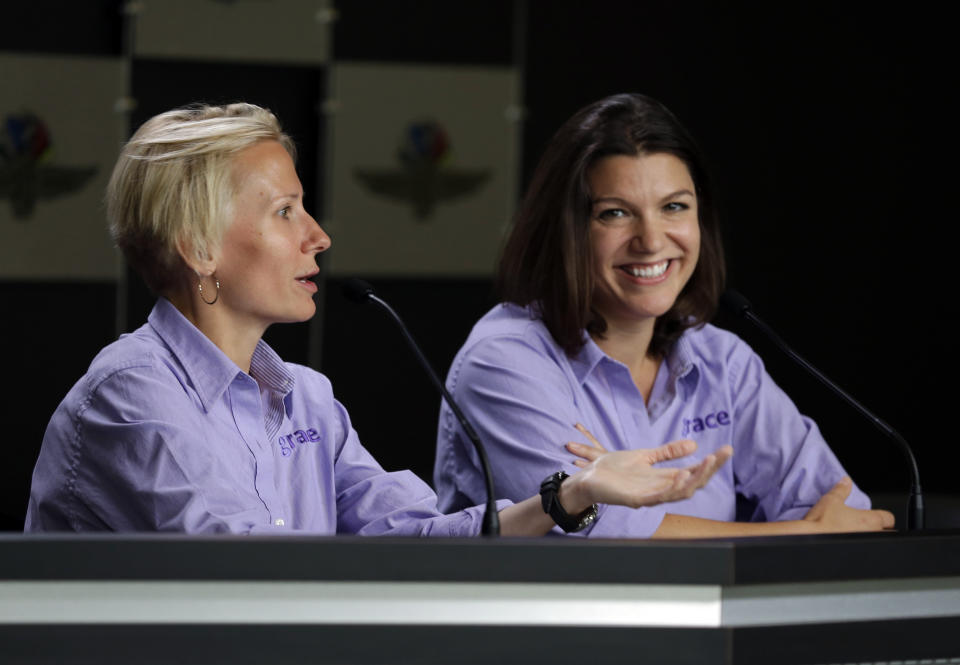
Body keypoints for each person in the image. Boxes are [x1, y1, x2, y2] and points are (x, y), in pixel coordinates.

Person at [24, 102, 731, 536]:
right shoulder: (131, 396)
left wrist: (571, 492)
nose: (319, 236)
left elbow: (418, 535)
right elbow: (244, 592)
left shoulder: (308, 398)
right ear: (198, 246)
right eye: (285, 212)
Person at [434, 93, 895, 537]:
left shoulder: (722, 360)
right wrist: (799, 533)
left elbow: (845, 512)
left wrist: (809, 529)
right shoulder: (505, 361)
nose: (652, 241)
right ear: (563, 231)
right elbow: (602, 539)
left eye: (674, 206)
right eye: (615, 214)